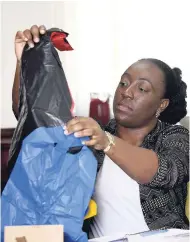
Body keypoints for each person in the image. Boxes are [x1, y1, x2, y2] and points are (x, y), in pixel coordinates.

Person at [12, 25, 189, 238]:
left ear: (162, 105)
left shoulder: (175, 137)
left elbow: (163, 172)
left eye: (142, 89)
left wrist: (107, 142)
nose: (127, 92)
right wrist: (25, 62)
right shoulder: (93, 136)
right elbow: (34, 119)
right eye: (124, 83)